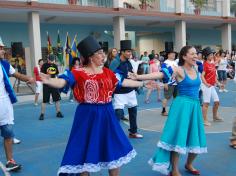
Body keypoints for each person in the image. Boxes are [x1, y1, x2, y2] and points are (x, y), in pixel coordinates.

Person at [40, 36, 151, 176]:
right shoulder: (77, 72)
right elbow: (62, 82)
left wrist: (143, 83)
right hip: (87, 115)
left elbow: (124, 82)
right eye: (99, 53)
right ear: (90, 57)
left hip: (107, 114)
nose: (103, 55)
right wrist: (50, 81)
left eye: (102, 52)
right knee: (84, 151)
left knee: (114, 149)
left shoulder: (108, 73)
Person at [131, 46, 207, 176]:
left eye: (196, 54)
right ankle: (175, 169)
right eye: (192, 54)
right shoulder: (178, 70)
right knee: (178, 137)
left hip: (195, 106)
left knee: (196, 136)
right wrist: (139, 76)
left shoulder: (196, 68)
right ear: (184, 56)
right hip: (182, 107)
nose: (196, 56)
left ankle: (189, 164)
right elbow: (159, 74)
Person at [0, 36, 34, 171]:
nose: (3, 50)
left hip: (4, 105)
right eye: (0, 48)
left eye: (2, 48)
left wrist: (29, 78)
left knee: (8, 133)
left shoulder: (4, 64)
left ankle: (10, 161)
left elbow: (17, 75)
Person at [109, 40, 143, 138]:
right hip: (119, 92)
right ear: (122, 52)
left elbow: (132, 75)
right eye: (127, 51)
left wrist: (137, 86)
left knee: (133, 111)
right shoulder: (115, 62)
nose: (130, 53)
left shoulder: (129, 63)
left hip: (130, 91)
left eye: (130, 51)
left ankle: (133, 132)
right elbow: (111, 77)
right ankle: (111, 134)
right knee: (118, 113)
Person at [201, 47, 223, 126]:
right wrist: (206, 84)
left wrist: (218, 83)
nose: (212, 56)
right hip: (206, 86)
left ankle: (215, 116)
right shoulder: (205, 64)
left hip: (212, 86)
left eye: (212, 54)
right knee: (206, 103)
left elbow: (213, 76)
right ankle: (204, 120)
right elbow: (202, 76)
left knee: (217, 102)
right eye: (210, 55)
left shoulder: (212, 63)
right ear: (206, 56)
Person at [39, 54, 63, 120]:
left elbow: (57, 74)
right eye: (51, 60)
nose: (52, 62)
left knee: (57, 99)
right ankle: (42, 114)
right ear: (48, 59)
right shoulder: (44, 65)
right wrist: (46, 75)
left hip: (54, 84)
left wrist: (58, 81)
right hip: (46, 85)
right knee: (44, 100)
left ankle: (58, 112)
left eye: (53, 60)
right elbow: (40, 74)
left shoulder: (55, 65)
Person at [161, 50, 178, 116]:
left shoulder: (175, 62)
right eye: (172, 54)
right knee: (166, 97)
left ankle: (175, 110)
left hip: (176, 83)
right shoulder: (165, 63)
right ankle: (163, 110)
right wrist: (165, 82)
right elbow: (164, 73)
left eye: (174, 54)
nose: (174, 55)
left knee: (176, 98)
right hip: (169, 83)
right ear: (168, 55)